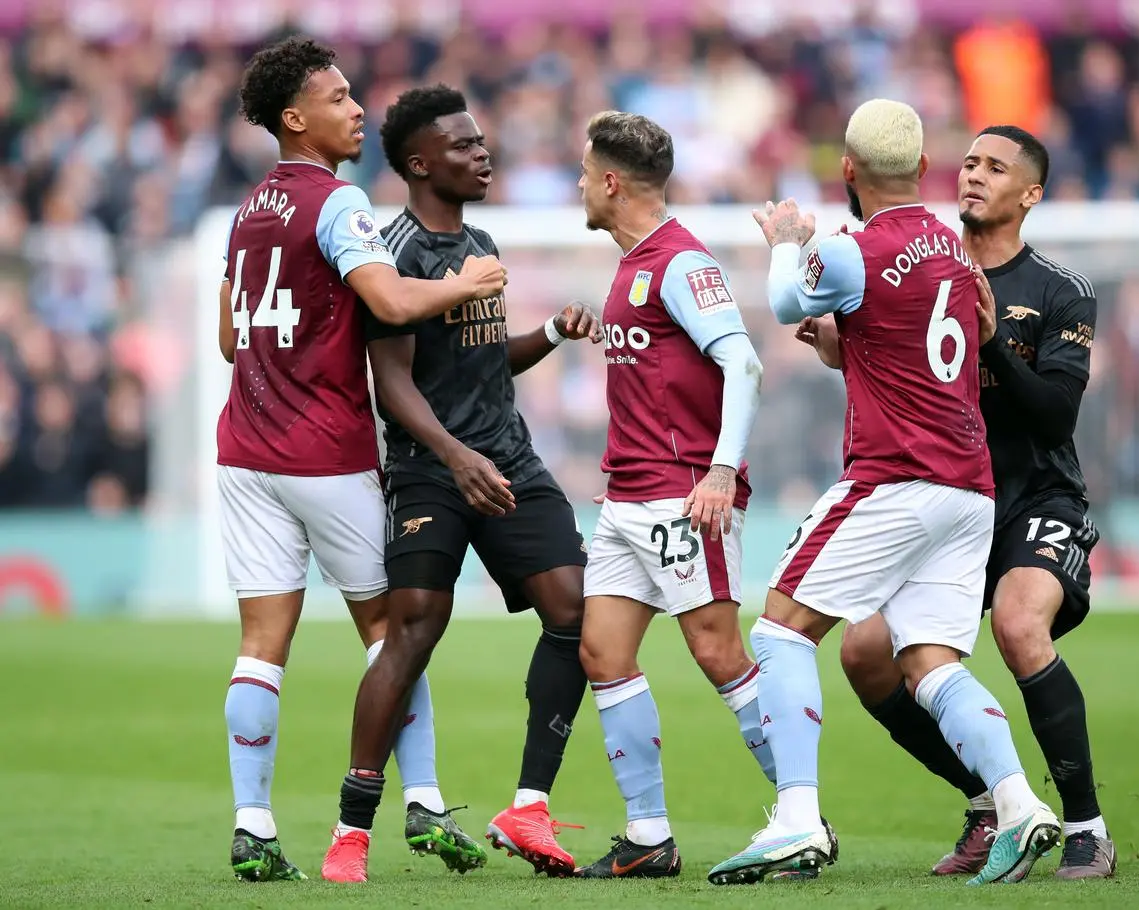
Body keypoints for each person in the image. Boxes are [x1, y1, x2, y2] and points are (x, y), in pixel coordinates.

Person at [709, 99, 1060, 887]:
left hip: (896, 474)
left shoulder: (848, 250)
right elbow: (924, 344)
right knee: (931, 662)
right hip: (970, 489)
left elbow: (786, 303)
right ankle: (1019, 803)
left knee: (781, 630)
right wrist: (846, 341)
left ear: (848, 169)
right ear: (926, 168)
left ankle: (796, 820)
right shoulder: (952, 248)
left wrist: (787, 243)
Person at [218, 39, 506, 883]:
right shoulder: (338, 203)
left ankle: (253, 826)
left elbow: (230, 336)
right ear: (295, 118)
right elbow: (387, 298)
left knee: (261, 645)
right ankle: (421, 803)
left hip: (246, 449)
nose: (355, 110)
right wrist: (466, 284)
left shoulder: (248, 210)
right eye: (338, 98)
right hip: (326, 454)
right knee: (393, 635)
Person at [320, 85, 602, 884]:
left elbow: (479, 359)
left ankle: (529, 805)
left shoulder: (477, 240)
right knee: (412, 631)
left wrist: (547, 335)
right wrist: (453, 459)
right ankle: (352, 832)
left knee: (576, 613)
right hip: (430, 469)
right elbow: (392, 381)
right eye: (465, 145)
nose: (483, 154)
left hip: (507, 459)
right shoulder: (391, 252)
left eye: (481, 142)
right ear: (419, 163)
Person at [833, 125, 1113, 879]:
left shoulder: (1060, 291)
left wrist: (991, 342)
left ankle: (1087, 826)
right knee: (862, 653)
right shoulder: (924, 263)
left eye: (996, 168)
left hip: (1032, 499)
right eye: (968, 163)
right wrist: (833, 340)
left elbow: (1056, 416)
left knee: (1021, 625)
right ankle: (993, 803)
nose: (974, 176)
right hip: (941, 496)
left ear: (1030, 194)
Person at [571, 110, 805, 880]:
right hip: (627, 494)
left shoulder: (679, 262)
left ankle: (800, 816)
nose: (578, 184)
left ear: (611, 182)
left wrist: (719, 470)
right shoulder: (632, 259)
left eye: (584, 173)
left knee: (716, 651)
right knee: (603, 653)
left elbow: (742, 364)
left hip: (682, 495)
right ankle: (648, 835)